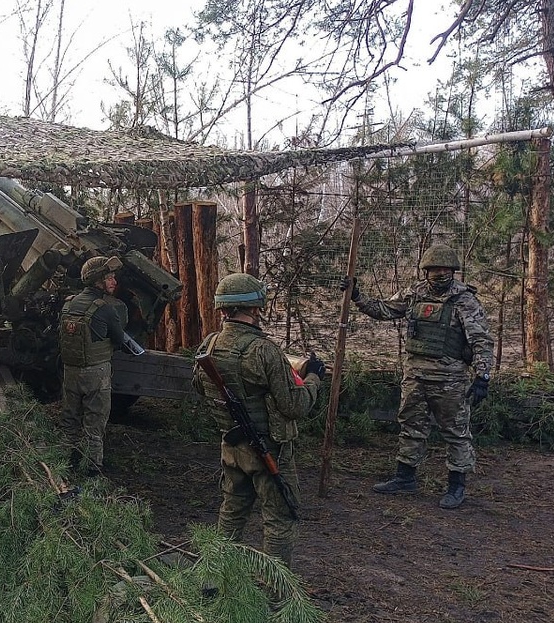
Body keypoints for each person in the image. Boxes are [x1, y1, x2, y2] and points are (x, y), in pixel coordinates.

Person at [344, 242, 494, 509]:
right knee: (410, 426)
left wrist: (482, 376)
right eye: (434, 268)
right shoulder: (414, 294)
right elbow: (384, 310)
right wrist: (357, 296)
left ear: (453, 271)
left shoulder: (464, 300)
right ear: (425, 270)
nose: (439, 273)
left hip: (450, 380)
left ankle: (457, 486)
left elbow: (481, 340)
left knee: (456, 432)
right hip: (415, 376)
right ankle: (405, 478)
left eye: (444, 269)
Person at [192, 273, 324, 568]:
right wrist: (314, 377)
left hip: (232, 446)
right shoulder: (264, 351)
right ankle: (278, 594)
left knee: (232, 511)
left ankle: (214, 578)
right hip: (268, 450)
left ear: (223, 308)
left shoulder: (209, 345)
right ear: (254, 308)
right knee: (280, 519)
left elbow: (200, 387)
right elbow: (294, 405)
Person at [59, 255, 130, 476]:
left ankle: (64, 464)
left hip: (70, 372)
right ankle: (92, 469)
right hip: (96, 373)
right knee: (95, 423)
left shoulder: (68, 304)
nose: (114, 282)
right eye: (109, 277)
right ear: (98, 280)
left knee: (70, 420)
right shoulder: (107, 309)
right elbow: (119, 340)